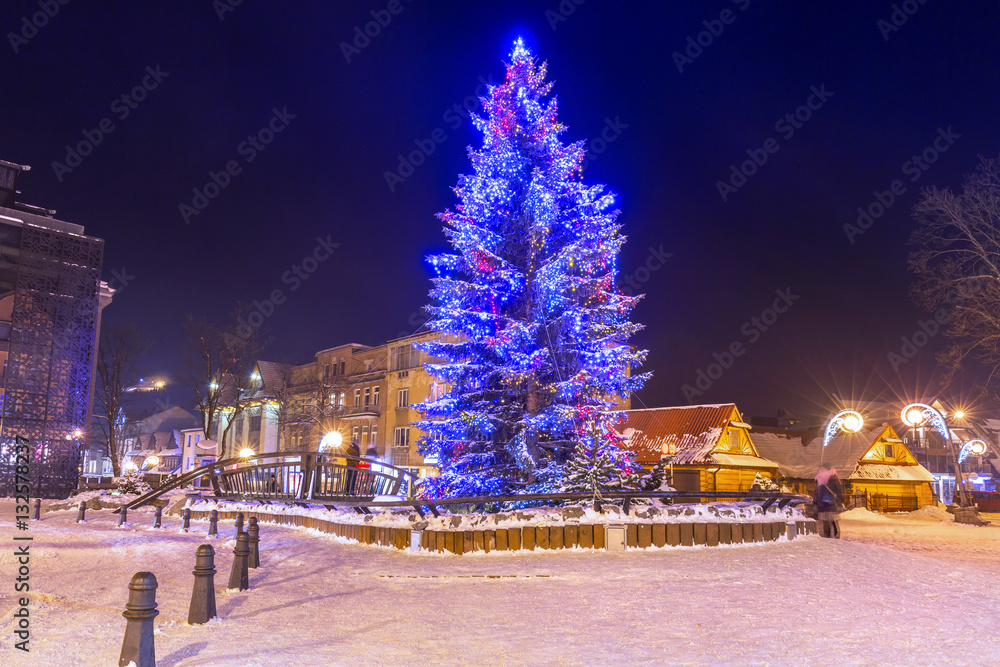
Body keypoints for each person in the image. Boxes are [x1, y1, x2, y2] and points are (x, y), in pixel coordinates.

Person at [814, 462, 844, 538]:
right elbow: (817, 491)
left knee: (833, 520)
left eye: (823, 468)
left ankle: (836, 536)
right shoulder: (819, 478)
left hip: (831, 503)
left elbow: (839, 490)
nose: (821, 469)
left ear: (827, 468)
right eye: (821, 468)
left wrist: (840, 501)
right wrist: (815, 503)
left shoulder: (833, 477)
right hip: (822, 503)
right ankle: (826, 537)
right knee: (824, 521)